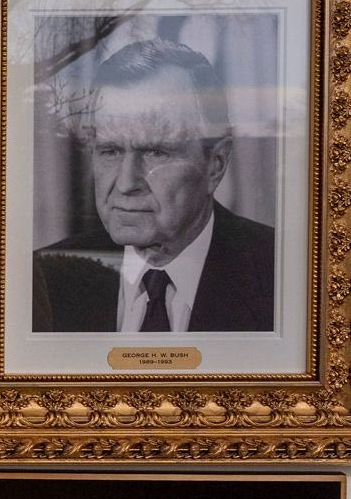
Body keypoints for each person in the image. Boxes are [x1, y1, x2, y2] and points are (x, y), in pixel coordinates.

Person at [32, 38, 275, 332]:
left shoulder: (282, 273)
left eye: (156, 152)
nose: (126, 184)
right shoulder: (45, 278)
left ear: (216, 164)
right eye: (110, 151)